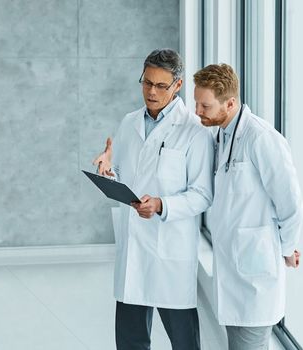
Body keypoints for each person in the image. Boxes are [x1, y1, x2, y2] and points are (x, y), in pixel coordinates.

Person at [93, 49, 213, 350]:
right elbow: (121, 173)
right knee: (130, 341)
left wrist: (162, 205)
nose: (151, 91)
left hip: (169, 248)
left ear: (178, 85)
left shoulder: (194, 131)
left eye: (161, 85)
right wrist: (107, 170)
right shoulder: (129, 122)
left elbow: (202, 195)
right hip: (134, 246)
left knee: (184, 342)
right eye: (146, 83)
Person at [193, 63, 303, 350]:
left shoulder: (262, 138)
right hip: (233, 268)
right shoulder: (222, 133)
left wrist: (286, 249)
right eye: (197, 103)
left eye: (204, 106)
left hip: (255, 276)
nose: (197, 112)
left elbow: (291, 204)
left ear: (229, 103)